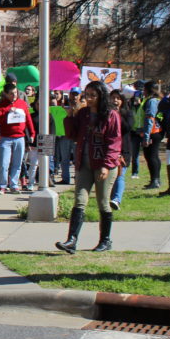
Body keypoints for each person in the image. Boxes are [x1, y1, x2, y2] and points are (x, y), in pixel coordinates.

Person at [55, 81, 122, 254]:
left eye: (93, 95)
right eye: (87, 95)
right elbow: (72, 135)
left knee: (102, 203)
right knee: (79, 201)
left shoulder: (111, 115)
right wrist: (69, 117)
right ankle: (72, 241)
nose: (90, 99)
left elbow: (114, 142)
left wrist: (106, 165)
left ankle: (105, 240)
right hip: (84, 164)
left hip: (103, 165)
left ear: (101, 96)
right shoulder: (83, 114)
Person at [0, 83, 35, 194]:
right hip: (6, 138)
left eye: (16, 93)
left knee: (17, 163)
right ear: (6, 94)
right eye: (11, 94)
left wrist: (32, 133)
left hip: (20, 137)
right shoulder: (2, 105)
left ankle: (14, 184)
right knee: (4, 163)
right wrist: (7, 112)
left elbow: (28, 119)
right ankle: (2, 185)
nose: (14, 95)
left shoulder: (22, 104)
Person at [135, 81, 163, 189]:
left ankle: (155, 180)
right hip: (152, 132)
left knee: (151, 156)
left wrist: (146, 136)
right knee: (152, 156)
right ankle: (155, 179)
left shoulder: (151, 101)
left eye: (144, 89)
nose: (143, 91)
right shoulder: (152, 100)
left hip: (152, 132)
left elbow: (149, 119)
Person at [108, 89, 133, 210]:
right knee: (111, 175)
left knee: (120, 175)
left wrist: (118, 115)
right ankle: (112, 198)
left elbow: (128, 128)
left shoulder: (127, 114)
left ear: (122, 101)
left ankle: (117, 199)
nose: (115, 101)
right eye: (113, 98)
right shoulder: (106, 113)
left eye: (118, 98)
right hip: (110, 149)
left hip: (124, 149)